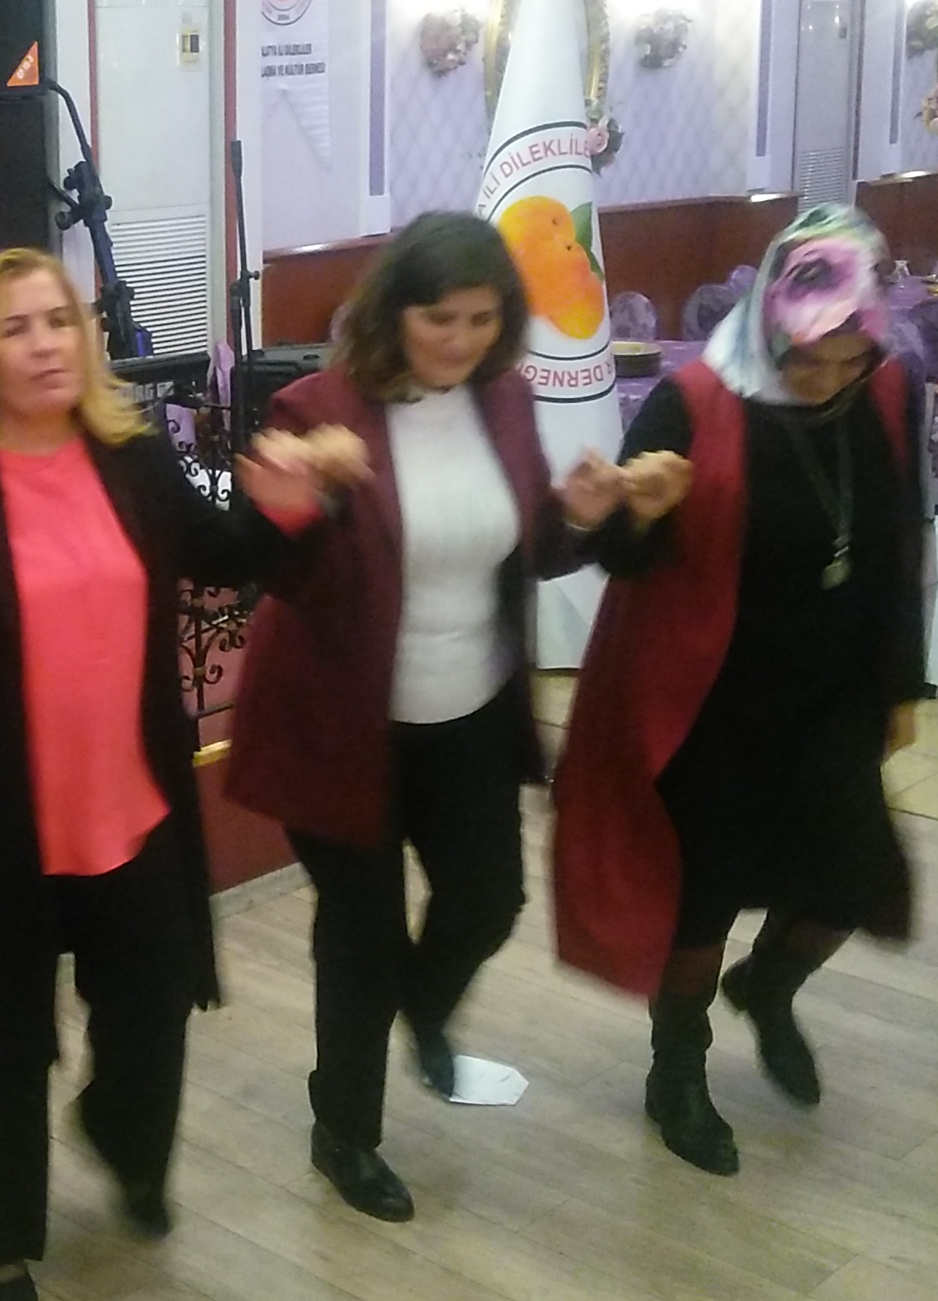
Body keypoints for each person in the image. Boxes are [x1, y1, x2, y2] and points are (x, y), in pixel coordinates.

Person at [0, 249, 365, 1301]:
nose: (45, 343)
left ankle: (125, 1141)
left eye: (58, 320)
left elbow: (217, 555)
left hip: (126, 805)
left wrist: (284, 510)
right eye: (15, 328)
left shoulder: (128, 453)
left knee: (152, 1010)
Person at [226, 213, 641, 1220]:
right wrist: (304, 499)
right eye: (438, 318)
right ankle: (345, 1128)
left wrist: (582, 519)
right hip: (344, 720)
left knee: (488, 901)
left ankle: (413, 1013)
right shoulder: (316, 407)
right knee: (359, 936)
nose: (460, 340)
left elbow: (523, 546)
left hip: (470, 713)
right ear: (393, 312)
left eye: (481, 320)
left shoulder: (504, 397)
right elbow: (281, 574)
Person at [554, 205, 923, 1176]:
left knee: (852, 879)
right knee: (704, 897)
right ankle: (675, 1071)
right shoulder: (695, 400)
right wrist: (633, 515)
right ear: (771, 319)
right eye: (811, 358)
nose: (829, 378)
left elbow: (897, 541)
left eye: (849, 359)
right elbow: (624, 558)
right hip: (711, 697)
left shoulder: (889, 390)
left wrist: (900, 683)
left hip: (832, 690)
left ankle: (767, 986)